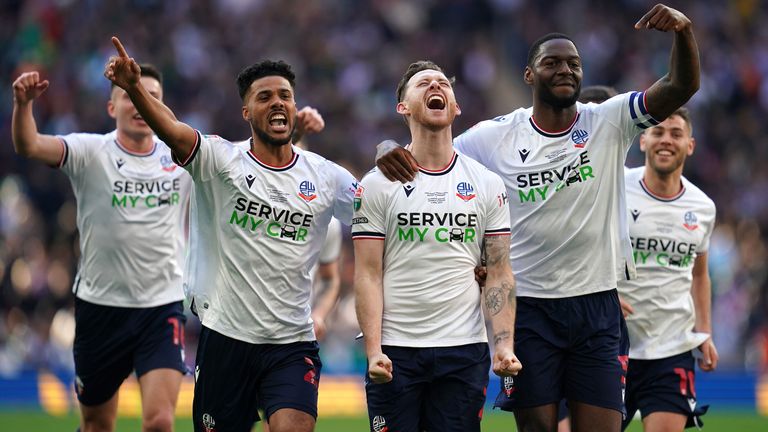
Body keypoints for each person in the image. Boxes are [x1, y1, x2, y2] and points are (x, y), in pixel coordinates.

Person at [375, 4, 700, 432]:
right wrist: (385, 148)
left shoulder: (609, 121)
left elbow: (681, 85)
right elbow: (432, 151)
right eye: (552, 63)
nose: (565, 69)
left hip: (597, 306)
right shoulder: (497, 136)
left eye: (573, 63)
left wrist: (683, 32)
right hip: (528, 311)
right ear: (529, 75)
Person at [104, 37, 357, 432]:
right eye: (265, 96)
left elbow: (384, 209)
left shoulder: (327, 176)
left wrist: (390, 147)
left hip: (291, 343)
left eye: (285, 96)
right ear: (246, 111)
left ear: (294, 107)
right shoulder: (221, 161)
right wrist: (135, 87)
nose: (277, 102)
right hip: (226, 339)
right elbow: (172, 130)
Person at [12, 64, 191, 432]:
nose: (141, 103)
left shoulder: (184, 157)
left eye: (151, 96)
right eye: (130, 95)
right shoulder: (89, 151)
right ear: (112, 108)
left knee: (159, 421)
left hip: (162, 308)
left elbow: (244, 161)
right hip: (100, 309)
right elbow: (28, 144)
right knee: (97, 425)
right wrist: (23, 105)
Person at [354, 60, 521, 432]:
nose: (436, 86)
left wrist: (504, 345)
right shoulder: (378, 184)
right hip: (397, 351)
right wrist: (374, 351)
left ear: (456, 106)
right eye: (423, 83)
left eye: (443, 83)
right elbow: (367, 273)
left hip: (463, 350)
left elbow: (498, 272)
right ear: (403, 107)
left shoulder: (487, 184)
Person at [619, 107, 717, 431]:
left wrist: (703, 332)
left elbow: (700, 275)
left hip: (672, 348)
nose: (666, 140)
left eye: (676, 134)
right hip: (612, 343)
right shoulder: (616, 189)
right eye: (658, 132)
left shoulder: (703, 208)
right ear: (643, 139)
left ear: (690, 144)